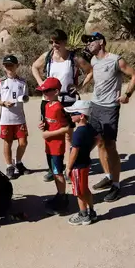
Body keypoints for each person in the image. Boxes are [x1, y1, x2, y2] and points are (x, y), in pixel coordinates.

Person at [81, 32, 135, 202]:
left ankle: (116, 185)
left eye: (91, 41)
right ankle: (108, 176)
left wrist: (127, 94)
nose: (88, 44)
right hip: (95, 107)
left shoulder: (115, 59)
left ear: (101, 42)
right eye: (87, 42)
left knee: (110, 146)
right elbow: (92, 72)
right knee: (99, 143)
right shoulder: (94, 60)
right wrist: (81, 85)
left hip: (109, 109)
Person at [32, 29, 90, 183]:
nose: (54, 45)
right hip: (49, 100)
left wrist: (80, 86)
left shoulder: (74, 58)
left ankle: (70, 168)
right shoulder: (48, 56)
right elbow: (34, 67)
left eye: (57, 42)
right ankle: (54, 168)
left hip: (68, 99)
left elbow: (90, 71)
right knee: (50, 132)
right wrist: (42, 84)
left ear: (64, 42)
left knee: (69, 134)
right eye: (52, 42)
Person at [0, 55, 30, 180]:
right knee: (7, 142)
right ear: (4, 67)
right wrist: (3, 103)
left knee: (23, 142)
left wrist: (23, 99)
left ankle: (18, 162)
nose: (9, 67)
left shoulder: (23, 82)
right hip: (6, 117)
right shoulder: (0, 82)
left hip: (19, 117)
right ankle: (9, 166)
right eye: (6, 65)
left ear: (17, 66)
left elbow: (25, 97)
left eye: (11, 65)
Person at [37, 77, 72, 215]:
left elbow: (67, 128)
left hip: (57, 146)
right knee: (53, 170)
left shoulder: (59, 107)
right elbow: (49, 123)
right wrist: (43, 126)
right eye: (43, 91)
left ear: (56, 91)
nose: (44, 93)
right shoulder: (46, 106)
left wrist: (49, 134)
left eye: (47, 91)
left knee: (57, 172)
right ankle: (59, 194)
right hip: (48, 145)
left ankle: (63, 198)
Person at [64, 100, 99, 225]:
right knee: (85, 188)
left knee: (79, 192)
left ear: (82, 116)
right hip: (86, 163)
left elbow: (74, 151)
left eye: (74, 113)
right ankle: (91, 211)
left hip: (78, 166)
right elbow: (98, 138)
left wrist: (68, 167)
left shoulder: (78, 133)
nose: (71, 115)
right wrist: (89, 148)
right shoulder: (89, 128)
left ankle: (84, 214)